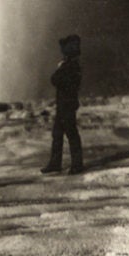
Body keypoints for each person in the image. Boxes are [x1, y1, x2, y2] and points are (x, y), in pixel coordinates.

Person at [44, 33, 85, 175]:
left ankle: (77, 165)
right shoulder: (72, 64)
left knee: (71, 133)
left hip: (66, 105)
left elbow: (55, 80)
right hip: (65, 105)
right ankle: (56, 163)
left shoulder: (70, 65)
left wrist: (59, 69)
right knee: (58, 133)